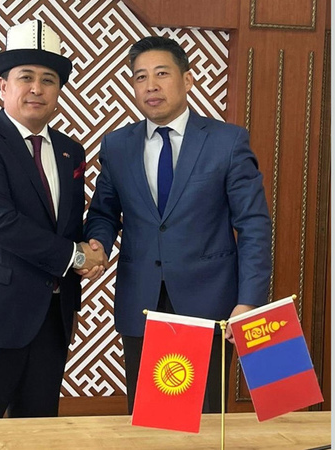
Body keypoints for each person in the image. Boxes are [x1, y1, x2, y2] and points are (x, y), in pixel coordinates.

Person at [84, 36, 273, 414]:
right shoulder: (117, 145)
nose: (150, 86)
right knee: (150, 420)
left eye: (161, 74)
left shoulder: (226, 141)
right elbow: (104, 212)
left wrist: (249, 301)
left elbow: (253, 224)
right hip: (142, 301)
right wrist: (97, 244)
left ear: (187, 79)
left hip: (211, 302)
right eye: (140, 77)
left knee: (205, 421)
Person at [0, 19, 107, 420]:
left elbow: (67, 224)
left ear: (59, 91)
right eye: (26, 77)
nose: (37, 88)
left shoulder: (70, 150)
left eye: (48, 80)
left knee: (38, 433)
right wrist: (76, 256)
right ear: (3, 85)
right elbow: (0, 223)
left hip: (51, 318)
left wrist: (93, 247)